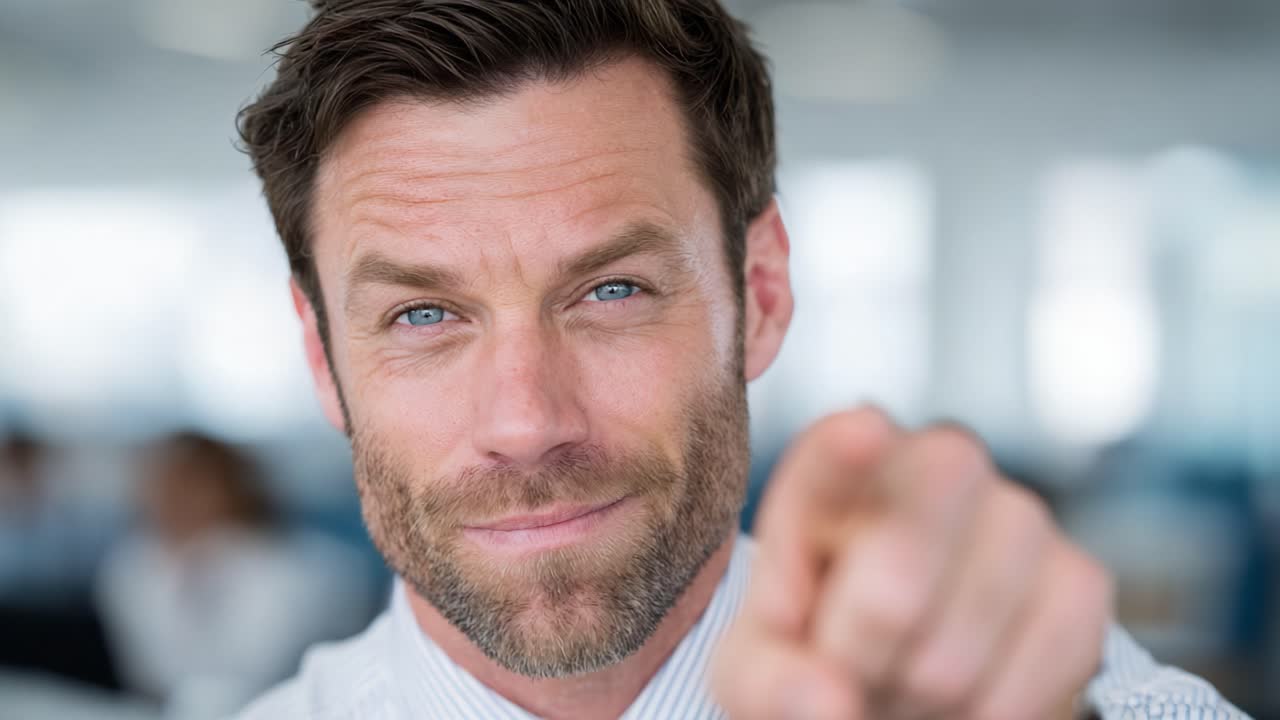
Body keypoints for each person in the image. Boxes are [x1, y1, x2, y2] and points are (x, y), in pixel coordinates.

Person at [233, 1, 1244, 717]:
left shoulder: (1078, 706)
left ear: (759, 295)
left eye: (611, 290)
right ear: (322, 356)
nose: (525, 421)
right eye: (421, 315)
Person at [96, 433, 372, 719]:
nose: (178, 501)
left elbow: (260, 667)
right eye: (167, 486)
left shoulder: (310, 567)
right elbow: (151, 674)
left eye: (194, 486)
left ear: (232, 487)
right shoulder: (131, 564)